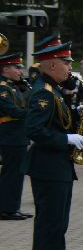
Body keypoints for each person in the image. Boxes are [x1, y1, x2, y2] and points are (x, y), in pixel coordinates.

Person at [24, 38, 83, 250]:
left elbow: (57, 122)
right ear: (51, 64)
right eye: (66, 62)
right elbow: (34, 130)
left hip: (58, 164)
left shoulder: (56, 90)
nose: (69, 68)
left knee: (59, 221)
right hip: (47, 166)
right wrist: (66, 138)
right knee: (49, 221)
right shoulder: (43, 92)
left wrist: (79, 115)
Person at [0, 48, 33, 220]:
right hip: (10, 136)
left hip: (18, 135)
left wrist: (25, 88)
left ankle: (12, 206)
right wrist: (34, 112)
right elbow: (12, 111)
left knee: (17, 173)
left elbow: (26, 103)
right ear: (5, 69)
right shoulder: (3, 89)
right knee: (12, 173)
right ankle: (7, 209)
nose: (20, 71)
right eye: (17, 67)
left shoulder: (15, 87)